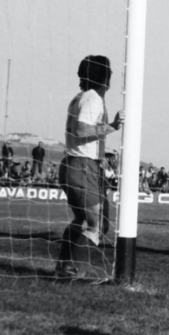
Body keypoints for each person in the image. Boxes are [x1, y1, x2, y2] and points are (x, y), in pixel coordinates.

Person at [55, 55, 124, 279]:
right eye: (109, 71)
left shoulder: (82, 97)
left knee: (87, 221)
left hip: (80, 164)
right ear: (105, 75)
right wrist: (112, 127)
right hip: (81, 167)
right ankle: (66, 268)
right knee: (97, 225)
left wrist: (100, 155)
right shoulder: (92, 99)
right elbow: (81, 130)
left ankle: (65, 266)